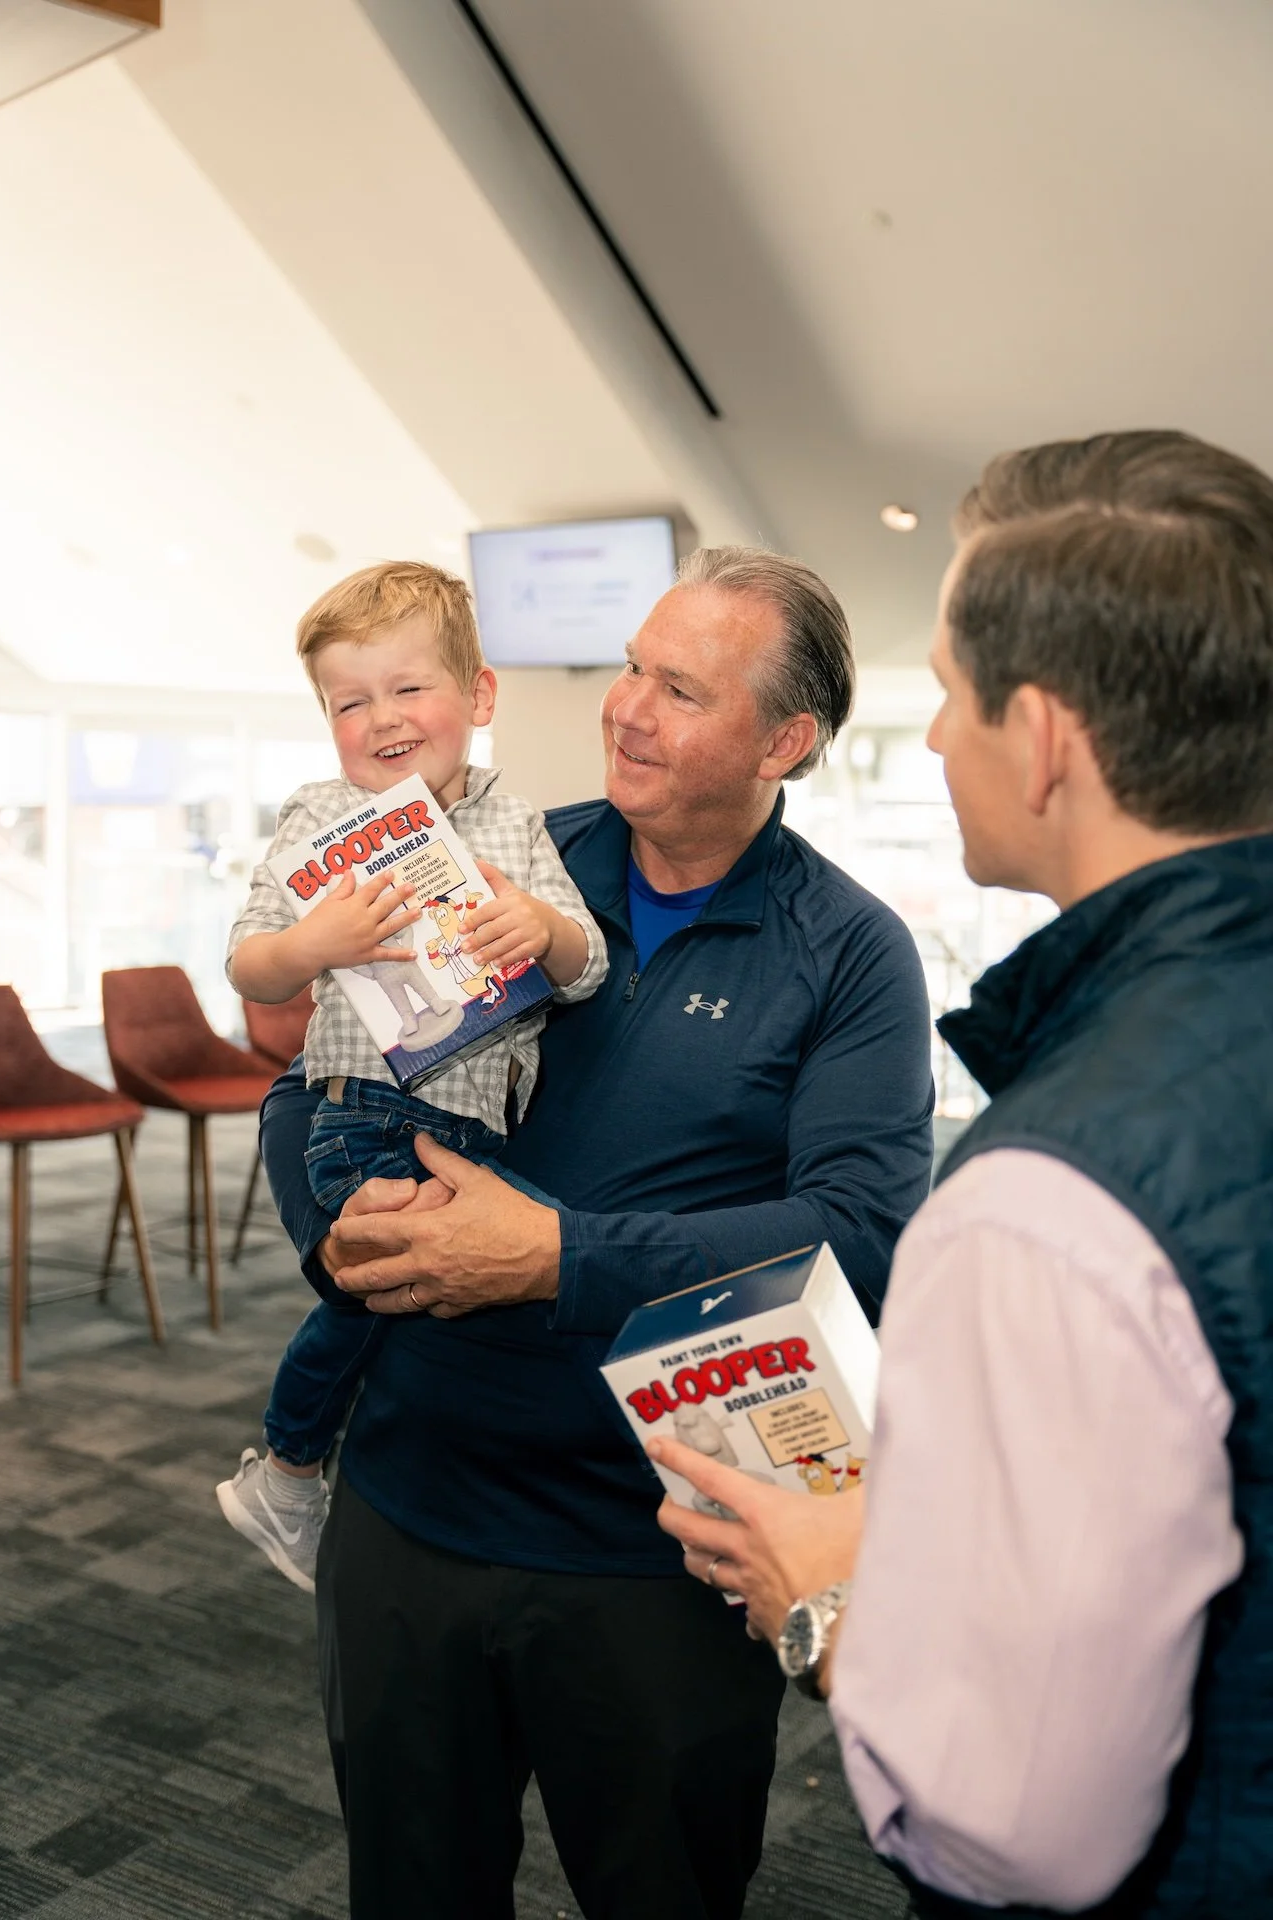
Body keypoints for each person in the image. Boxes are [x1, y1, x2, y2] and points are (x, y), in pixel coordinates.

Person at [258, 546, 936, 1919]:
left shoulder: (850, 952)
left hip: (660, 1550)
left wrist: (559, 1255)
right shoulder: (501, 853)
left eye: (677, 689)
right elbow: (315, 1072)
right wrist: (335, 1225)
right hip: (411, 1509)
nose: (625, 708)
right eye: (631, 665)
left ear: (783, 741)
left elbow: (859, 1237)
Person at [655, 430, 1273, 1919]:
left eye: (948, 687)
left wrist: (831, 1582)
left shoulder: (1051, 1203)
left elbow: (1015, 1824)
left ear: (1044, 736)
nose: (932, 736)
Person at [215, 561, 607, 1590]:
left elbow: (588, 970)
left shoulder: (515, 825)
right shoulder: (316, 817)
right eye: (351, 702)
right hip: (359, 1112)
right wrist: (315, 941)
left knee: (538, 1274)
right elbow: (247, 965)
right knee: (378, 1282)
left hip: (476, 1126)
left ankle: (436, 1492)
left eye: (408, 689)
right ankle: (291, 1467)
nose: (382, 719)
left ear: (477, 697)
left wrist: (543, 929)